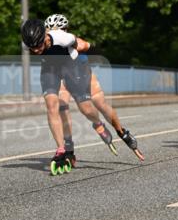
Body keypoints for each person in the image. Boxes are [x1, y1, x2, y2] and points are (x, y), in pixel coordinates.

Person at [44, 14, 144, 161]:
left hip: (82, 73)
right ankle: (68, 147)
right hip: (61, 75)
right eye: (50, 31)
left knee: (99, 105)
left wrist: (93, 52)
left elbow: (87, 46)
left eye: (57, 30)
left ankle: (121, 132)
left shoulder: (71, 40)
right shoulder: (45, 43)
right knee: (62, 107)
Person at [21, 19, 113, 175]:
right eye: (32, 48)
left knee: (86, 108)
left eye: (38, 46)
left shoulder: (63, 38)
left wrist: (97, 55)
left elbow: (85, 46)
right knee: (51, 106)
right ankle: (61, 149)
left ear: (45, 36)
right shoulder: (32, 43)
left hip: (71, 68)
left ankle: (98, 123)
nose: (36, 50)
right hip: (50, 69)